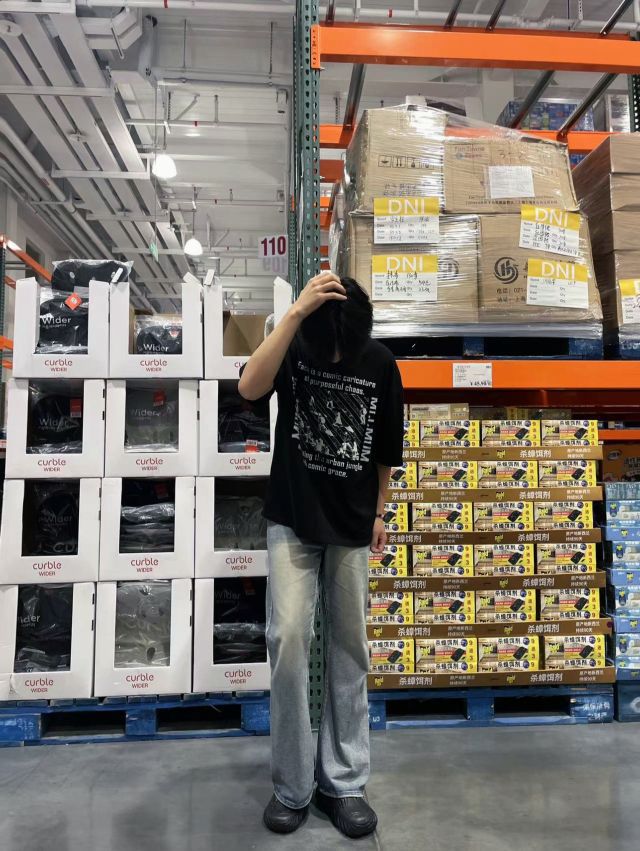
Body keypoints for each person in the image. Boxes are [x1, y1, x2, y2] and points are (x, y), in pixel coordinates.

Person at [238, 272, 404, 839]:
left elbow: (385, 450)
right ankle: (291, 784)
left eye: (342, 349)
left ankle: (345, 783)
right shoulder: (293, 343)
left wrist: (380, 513)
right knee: (287, 638)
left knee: (350, 646)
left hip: (353, 523)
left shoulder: (380, 363)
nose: (333, 356)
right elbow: (249, 388)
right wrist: (293, 313)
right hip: (293, 518)